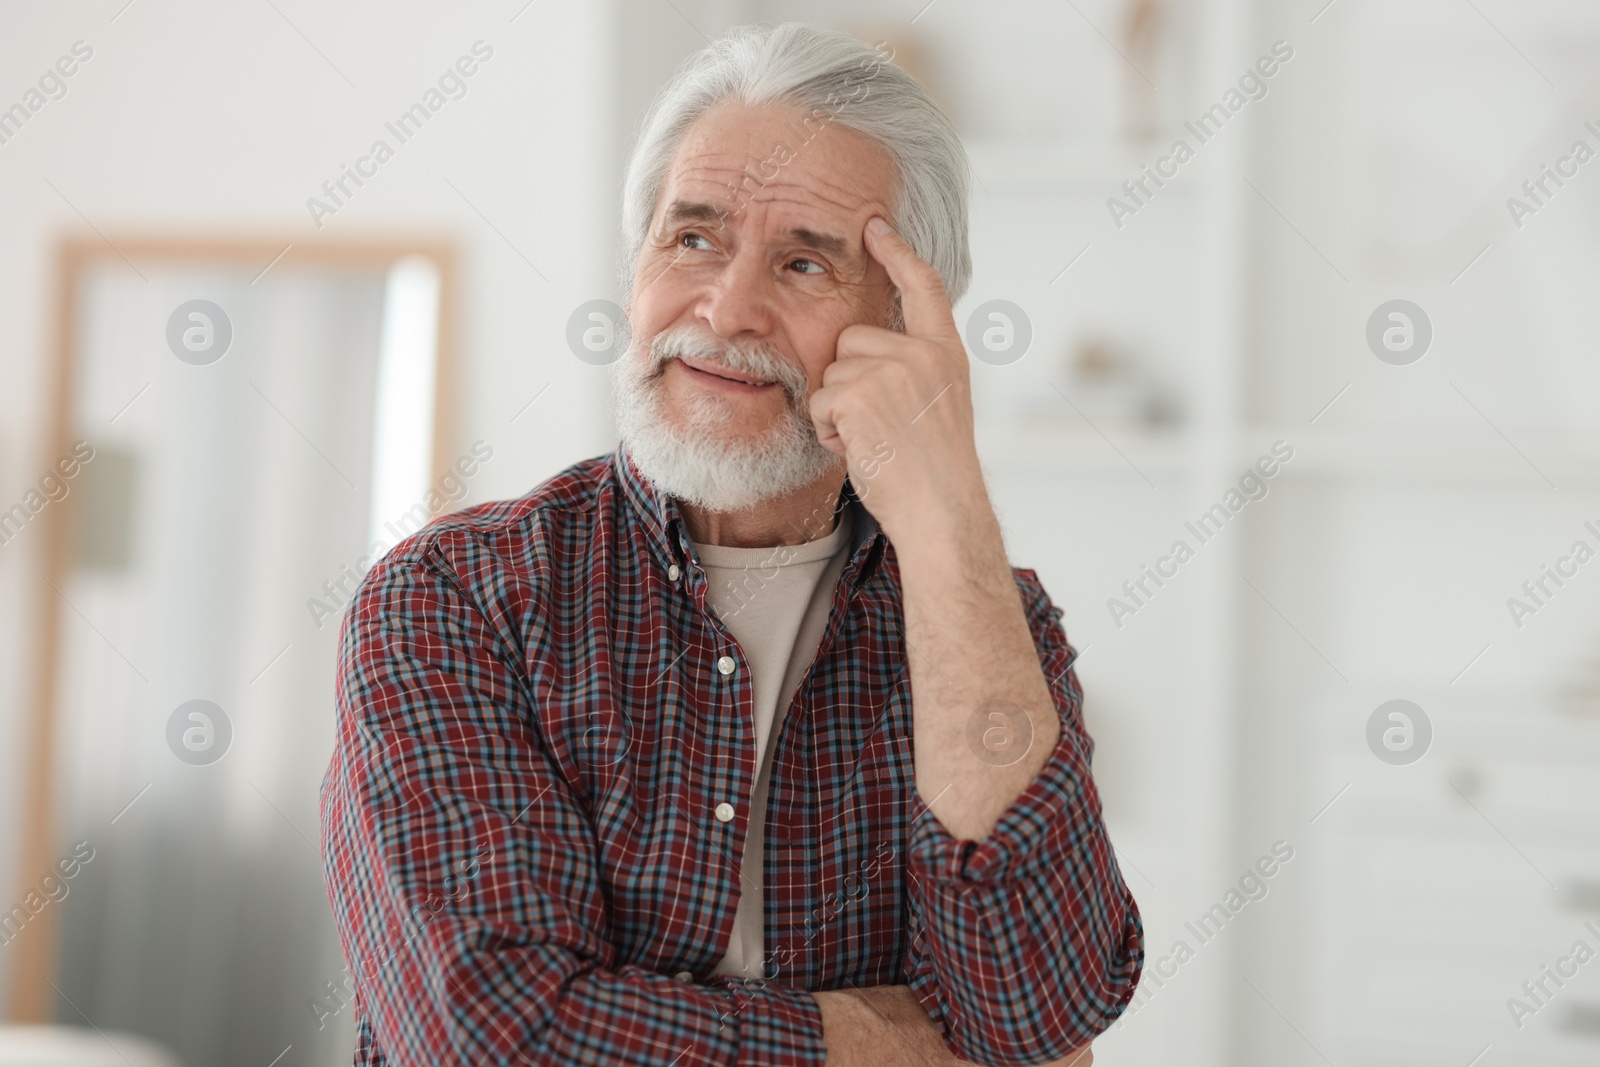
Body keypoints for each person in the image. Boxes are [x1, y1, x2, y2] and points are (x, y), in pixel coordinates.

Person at [321, 22, 1142, 1066]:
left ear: (906, 323)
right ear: (638, 265)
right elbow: (496, 1035)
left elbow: (1039, 1012)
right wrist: (892, 1047)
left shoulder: (992, 618)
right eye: (693, 239)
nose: (726, 308)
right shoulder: (456, 595)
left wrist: (949, 514)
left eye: (803, 262)